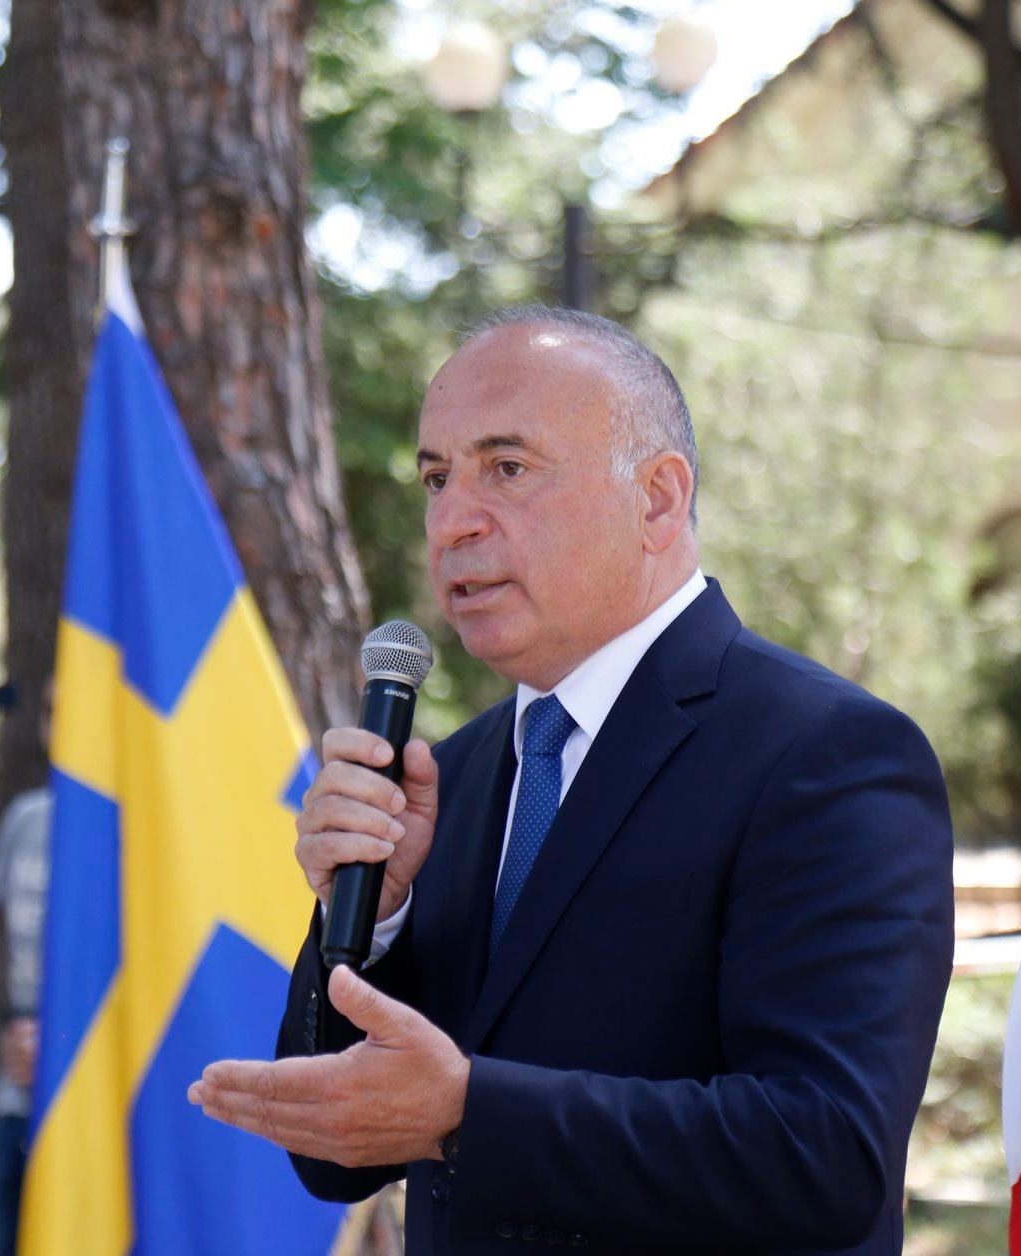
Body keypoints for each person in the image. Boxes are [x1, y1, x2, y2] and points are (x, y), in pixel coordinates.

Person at [188, 306, 954, 1254]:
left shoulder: (826, 753)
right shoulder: (449, 777)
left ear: (657, 499)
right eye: (437, 478)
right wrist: (373, 919)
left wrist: (467, 1113)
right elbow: (335, 1159)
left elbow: (825, 1153)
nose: (452, 521)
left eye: (507, 469)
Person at [0, 687, 55, 1256]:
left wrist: (61, 1036)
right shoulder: (27, 817)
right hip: (17, 1084)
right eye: (51, 710)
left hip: (93, 1082)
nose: (61, 724)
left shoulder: (133, 824)